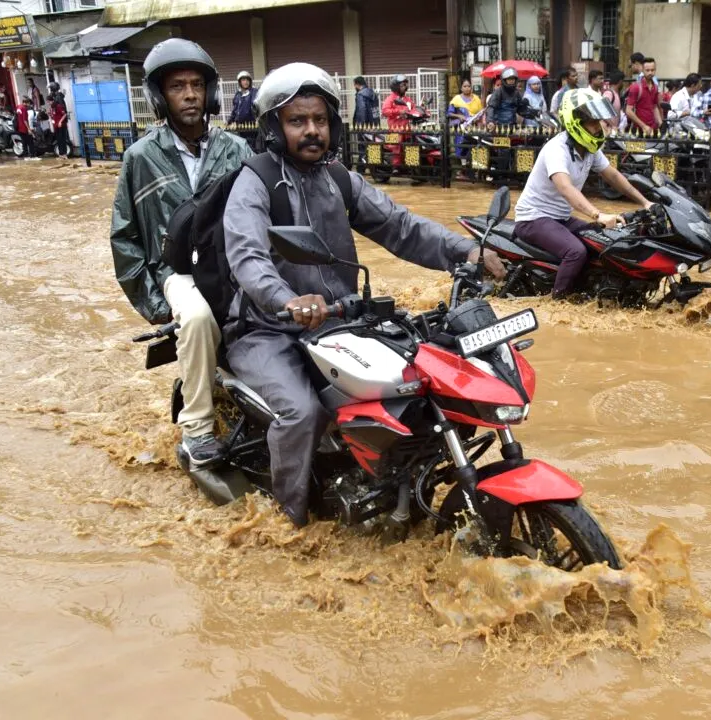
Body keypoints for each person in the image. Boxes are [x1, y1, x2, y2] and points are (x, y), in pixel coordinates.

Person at [219, 62, 505, 526]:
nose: (312, 130)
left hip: (340, 321)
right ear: (274, 126)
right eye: (297, 121)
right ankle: (288, 519)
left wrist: (466, 251)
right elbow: (247, 257)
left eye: (320, 120)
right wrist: (286, 299)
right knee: (302, 411)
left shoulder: (338, 178)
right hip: (267, 329)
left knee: (420, 374)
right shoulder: (255, 180)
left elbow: (398, 225)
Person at [109, 39, 253, 469]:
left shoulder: (236, 150)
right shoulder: (140, 157)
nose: (190, 95)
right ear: (160, 96)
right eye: (177, 87)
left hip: (230, 266)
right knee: (195, 317)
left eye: (196, 85)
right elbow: (123, 236)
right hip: (176, 273)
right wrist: (154, 304)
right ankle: (197, 430)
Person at [512, 88, 653, 300]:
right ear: (575, 122)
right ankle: (557, 301)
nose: (598, 128)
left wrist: (645, 202)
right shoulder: (556, 150)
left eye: (599, 122)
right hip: (533, 218)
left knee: (603, 240)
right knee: (576, 251)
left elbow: (613, 176)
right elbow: (566, 188)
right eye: (592, 122)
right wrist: (599, 215)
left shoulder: (589, 149)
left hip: (560, 219)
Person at [624, 57, 662, 133]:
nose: (650, 73)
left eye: (652, 70)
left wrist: (660, 123)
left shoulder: (655, 87)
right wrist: (643, 126)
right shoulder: (636, 87)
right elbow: (628, 111)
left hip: (652, 128)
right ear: (643, 70)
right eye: (647, 70)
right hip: (638, 129)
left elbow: (654, 107)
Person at [49, 82, 71, 158]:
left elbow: (63, 112)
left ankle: (64, 154)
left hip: (61, 122)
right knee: (59, 139)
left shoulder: (58, 98)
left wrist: (61, 121)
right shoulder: (58, 96)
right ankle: (61, 154)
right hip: (57, 122)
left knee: (62, 139)